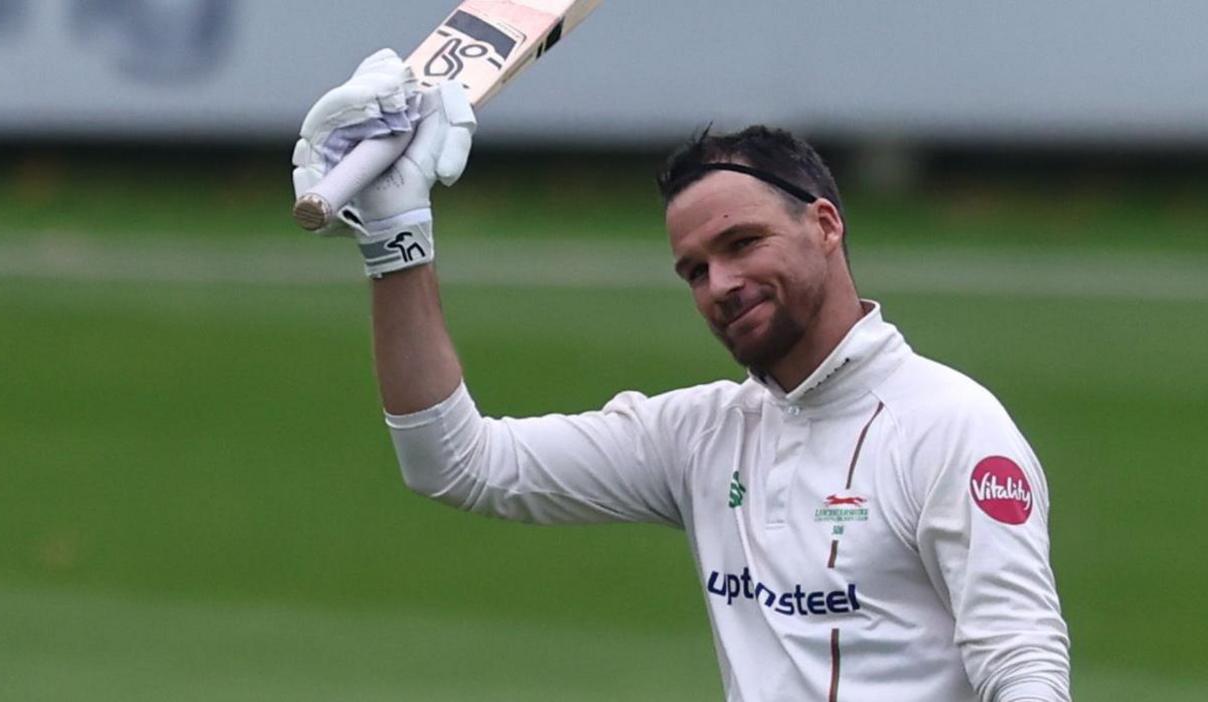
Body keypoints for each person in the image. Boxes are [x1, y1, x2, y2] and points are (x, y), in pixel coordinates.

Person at [292, 51, 1071, 702]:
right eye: (694, 270)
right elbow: (454, 464)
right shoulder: (700, 436)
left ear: (825, 224)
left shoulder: (951, 426)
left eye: (743, 243)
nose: (720, 284)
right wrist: (398, 237)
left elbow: (1024, 664)